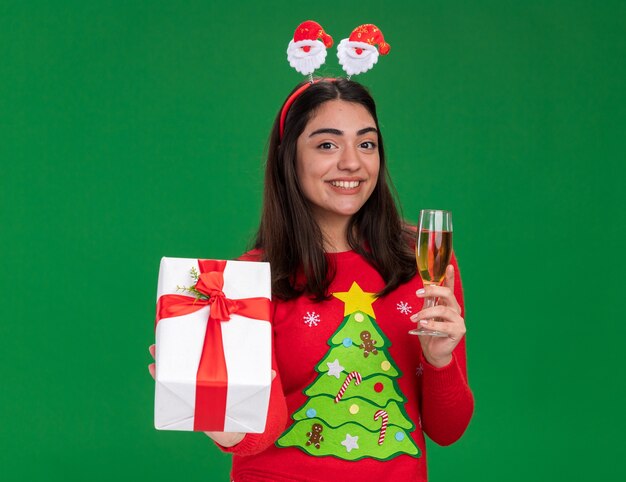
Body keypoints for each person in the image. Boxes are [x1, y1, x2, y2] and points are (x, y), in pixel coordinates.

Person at [149, 78, 473, 481]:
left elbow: (448, 430)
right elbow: (260, 437)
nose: (352, 162)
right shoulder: (246, 282)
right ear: (289, 158)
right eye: (327, 145)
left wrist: (439, 360)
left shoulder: (423, 260)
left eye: (366, 143)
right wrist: (215, 410)